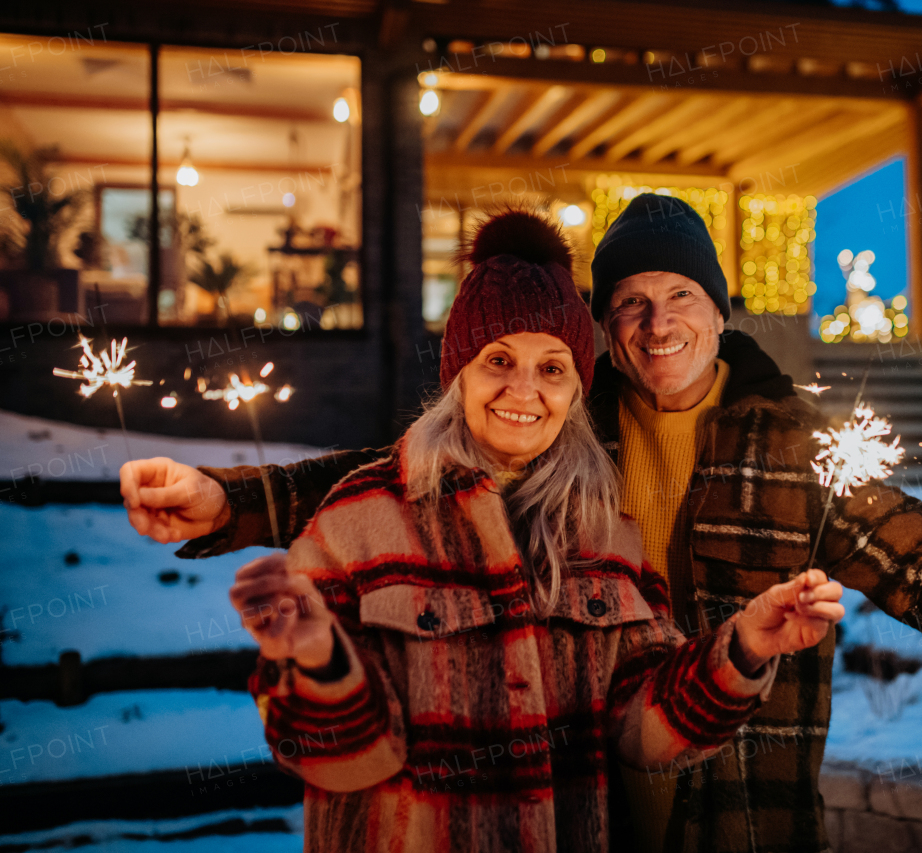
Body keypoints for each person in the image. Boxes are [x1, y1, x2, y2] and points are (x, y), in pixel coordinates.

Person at [123, 194, 922, 853]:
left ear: (718, 305)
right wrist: (231, 501)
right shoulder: (565, 421)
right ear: (602, 327)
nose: (657, 324)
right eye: (630, 303)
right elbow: (394, 484)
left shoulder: (791, 444)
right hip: (588, 813)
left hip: (738, 815)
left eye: (679, 294)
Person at [224, 209, 845, 852]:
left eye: (552, 368)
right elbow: (344, 762)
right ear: (458, 373)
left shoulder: (604, 533)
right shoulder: (359, 520)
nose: (524, 389)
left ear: (577, 388)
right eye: (498, 359)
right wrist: (317, 659)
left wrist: (743, 648)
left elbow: (641, 728)